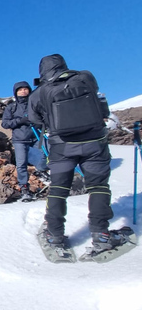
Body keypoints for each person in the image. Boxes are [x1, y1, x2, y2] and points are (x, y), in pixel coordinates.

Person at [28, 54, 115, 253]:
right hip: (95, 143)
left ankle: (55, 234)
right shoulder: (85, 77)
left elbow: (34, 118)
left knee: (59, 189)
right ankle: (100, 234)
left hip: (62, 146)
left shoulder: (40, 92)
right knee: (99, 187)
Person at [2, 81, 49, 201]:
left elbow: (45, 118)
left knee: (49, 152)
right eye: (20, 89)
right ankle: (24, 189)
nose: (23, 91)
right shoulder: (11, 107)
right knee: (21, 164)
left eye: (25, 89)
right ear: (16, 92)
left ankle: (41, 171)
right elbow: (5, 123)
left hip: (36, 136)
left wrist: (38, 122)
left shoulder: (35, 105)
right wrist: (20, 121)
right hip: (20, 140)